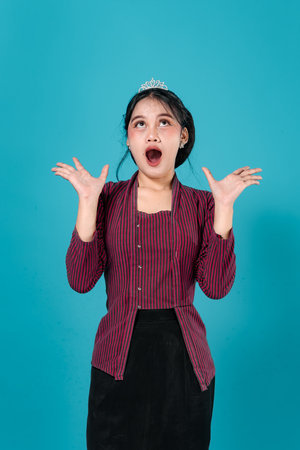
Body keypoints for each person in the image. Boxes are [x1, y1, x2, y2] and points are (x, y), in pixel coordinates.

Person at [51, 78, 263, 449]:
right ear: (129, 140)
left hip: (184, 366)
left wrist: (225, 211)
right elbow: (81, 280)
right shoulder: (106, 198)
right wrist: (87, 204)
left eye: (164, 122)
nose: (152, 132)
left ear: (182, 136)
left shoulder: (204, 204)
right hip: (116, 360)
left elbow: (215, 288)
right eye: (140, 124)